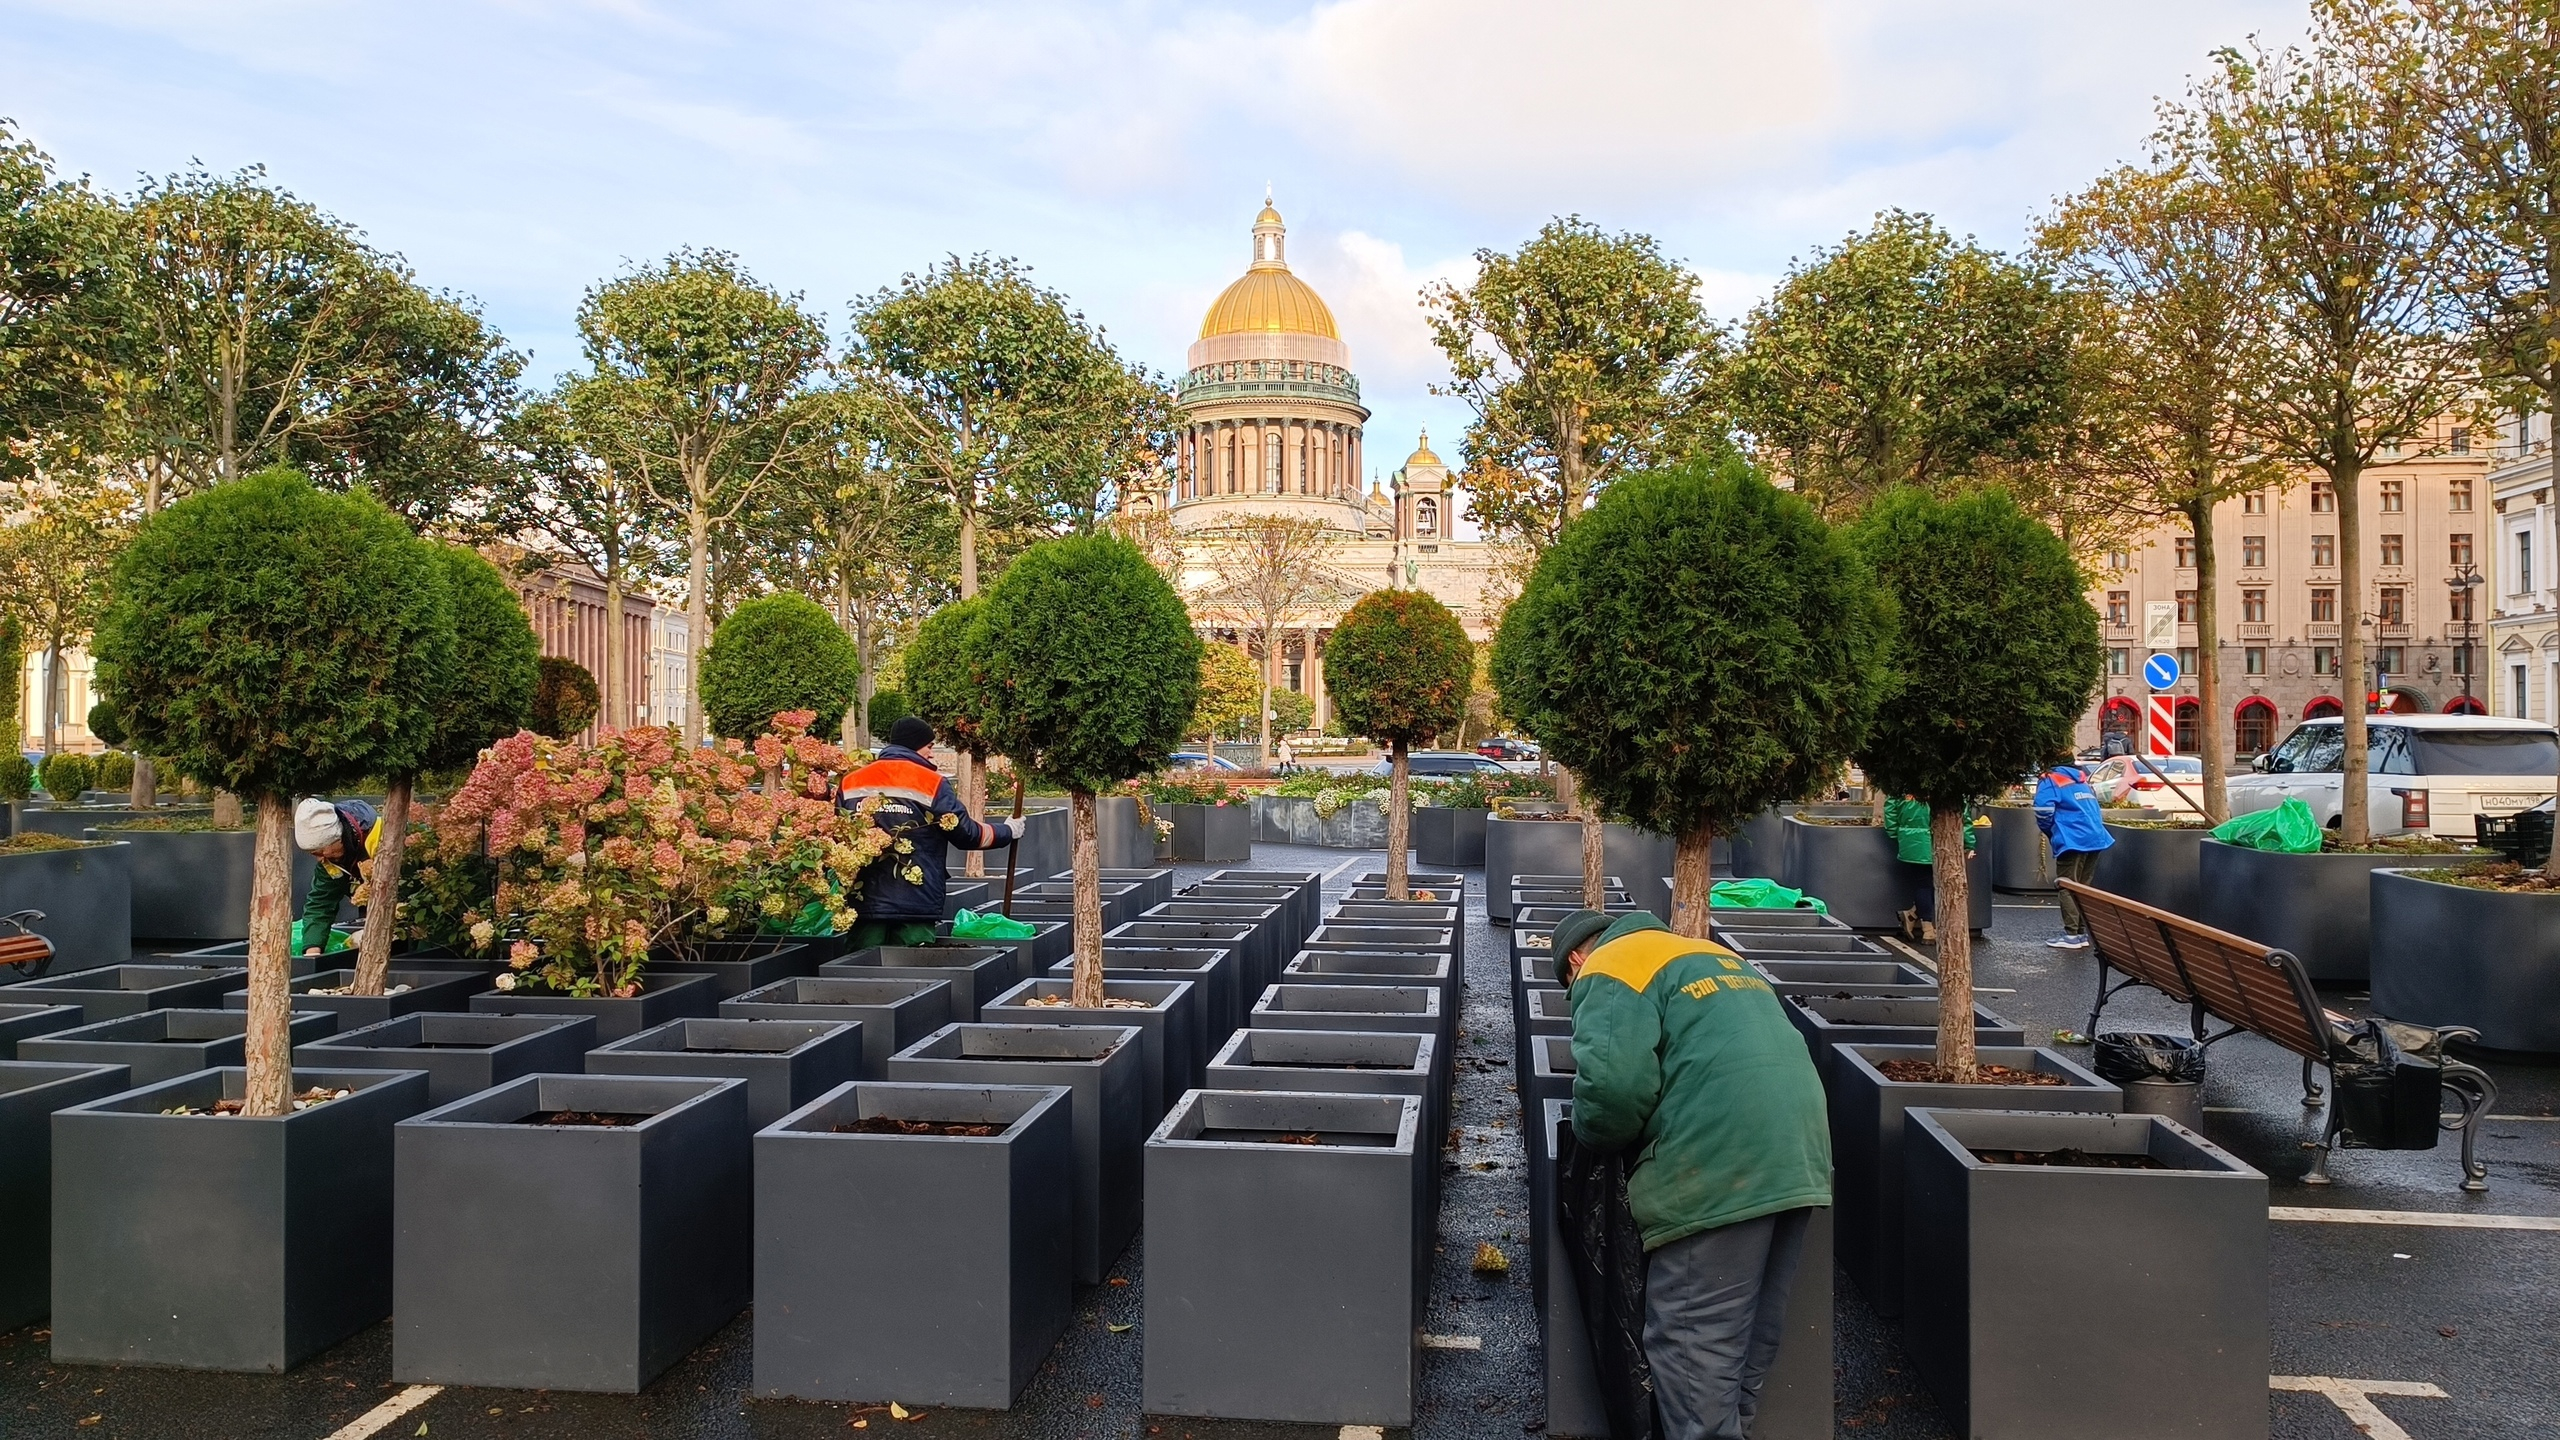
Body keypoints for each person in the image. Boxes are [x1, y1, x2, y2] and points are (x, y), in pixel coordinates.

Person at [1553, 908, 1832, 1440]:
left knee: (1691, 1340)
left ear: (1575, 959)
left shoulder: (1610, 964)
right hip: (1798, 1150)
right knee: (1751, 1329)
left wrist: (1587, 1147)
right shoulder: (1708, 953)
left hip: (1718, 1158)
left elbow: (1612, 1092)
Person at [839, 716, 1019, 949]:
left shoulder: (851, 782)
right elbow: (966, 833)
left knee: (859, 974)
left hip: (864, 900)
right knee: (914, 974)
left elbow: (838, 835)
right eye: (929, 746)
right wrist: (1007, 831)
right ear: (914, 745)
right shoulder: (931, 783)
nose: (932, 754)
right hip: (915, 900)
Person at [2035, 753, 2116, 950]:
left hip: (2072, 839)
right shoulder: (2081, 779)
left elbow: (2043, 811)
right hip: (2095, 838)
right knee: (2083, 887)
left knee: (2067, 886)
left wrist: (2051, 831)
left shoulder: (2050, 779)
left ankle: (2072, 935)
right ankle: (2081, 933)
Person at [293, 796, 380, 958]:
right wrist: (312, 951)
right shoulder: (332, 860)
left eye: (320, 851)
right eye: (313, 854)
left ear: (337, 838)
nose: (319, 859)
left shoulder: (381, 839)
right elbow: (320, 905)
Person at [1886, 796, 1980, 944]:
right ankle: (1927, 929)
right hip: (1942, 839)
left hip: (1911, 840)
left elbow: (1891, 807)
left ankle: (1914, 917)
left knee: (1923, 883)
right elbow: (1963, 815)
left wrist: (1898, 833)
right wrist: (1969, 843)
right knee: (1936, 884)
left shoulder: (1904, 783)